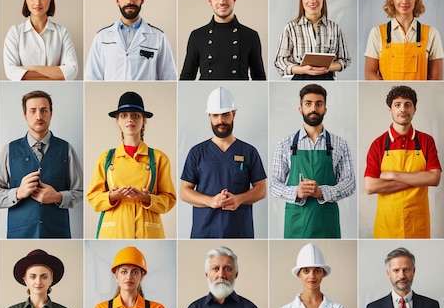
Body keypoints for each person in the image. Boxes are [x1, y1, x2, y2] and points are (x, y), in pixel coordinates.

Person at [87, 91, 176, 238]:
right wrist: (113, 196)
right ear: (117, 120)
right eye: (124, 116)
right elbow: (93, 198)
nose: (130, 120)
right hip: (114, 230)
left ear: (144, 120)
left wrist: (145, 197)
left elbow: (169, 199)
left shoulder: (159, 158)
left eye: (135, 115)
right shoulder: (106, 158)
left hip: (147, 230)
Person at [270, 84, 355, 238]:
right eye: (308, 103)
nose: (314, 108)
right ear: (300, 109)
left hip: (326, 221)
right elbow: (274, 184)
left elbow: (349, 183)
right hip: (296, 222)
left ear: (325, 109)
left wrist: (322, 192)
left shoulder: (340, 143)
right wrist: (296, 192)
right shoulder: (285, 143)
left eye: (319, 104)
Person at [180, 87, 267, 238]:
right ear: (209, 116)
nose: (221, 120)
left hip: (240, 233)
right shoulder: (197, 153)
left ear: (234, 114)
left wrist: (239, 199)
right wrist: (211, 201)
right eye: (215, 115)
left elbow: (261, 189)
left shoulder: (249, 152)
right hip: (204, 232)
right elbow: (184, 191)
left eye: (225, 114)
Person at [0, 90, 83, 238]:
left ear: (51, 114)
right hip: (19, 235)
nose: (39, 116)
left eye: (44, 110)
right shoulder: (8, 150)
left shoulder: (66, 149)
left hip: (57, 234)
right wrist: (17, 193)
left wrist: (58, 197)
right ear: (25, 116)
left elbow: (80, 192)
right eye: (32, 111)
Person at [364, 86, 441, 238]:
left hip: (418, 224)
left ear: (414, 109)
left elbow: (434, 178)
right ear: (390, 110)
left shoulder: (426, 141)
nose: (403, 109)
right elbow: (370, 186)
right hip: (387, 225)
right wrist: (419, 179)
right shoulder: (377, 144)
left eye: (407, 104)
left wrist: (392, 174)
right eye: (397, 105)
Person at [84, 0, 177, 80]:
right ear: (117, 0)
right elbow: (91, 78)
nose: (129, 1)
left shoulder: (158, 37)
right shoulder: (102, 37)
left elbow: (169, 78)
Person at [180, 0, 266, 80]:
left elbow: (259, 79)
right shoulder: (197, 36)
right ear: (209, 0)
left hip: (239, 95)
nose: (222, 1)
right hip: (206, 95)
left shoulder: (250, 36)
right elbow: (186, 78)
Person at [364, 0, 444, 80]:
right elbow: (369, 74)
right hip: (390, 96)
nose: (404, 1)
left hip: (420, 96)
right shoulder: (377, 33)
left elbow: (436, 78)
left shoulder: (432, 34)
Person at [274, 0, 351, 80]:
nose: (312, 0)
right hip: (300, 79)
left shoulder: (335, 28)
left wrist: (328, 67)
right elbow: (280, 61)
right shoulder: (290, 28)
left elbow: (344, 60)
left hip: (327, 79)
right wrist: (302, 70)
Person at [3, 0, 78, 80]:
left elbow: (72, 71)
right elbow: (11, 72)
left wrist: (29, 68)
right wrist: (56, 72)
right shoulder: (15, 33)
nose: (38, 2)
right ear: (25, 0)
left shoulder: (62, 33)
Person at [359, 247, 444, 308]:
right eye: (396, 270)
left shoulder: (431, 307)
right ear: (388, 273)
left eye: (406, 270)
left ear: (414, 271)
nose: (402, 276)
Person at [180, 246, 265, 308]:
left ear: (236, 274)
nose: (221, 275)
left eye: (227, 269)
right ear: (207, 274)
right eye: (215, 269)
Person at [272, 243, 352, 308]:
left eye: (317, 271)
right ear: (299, 274)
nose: (312, 276)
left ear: (324, 273)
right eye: (306, 271)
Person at [92, 246, 168, 308]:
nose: (129, 277)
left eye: (135, 272)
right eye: (124, 272)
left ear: (141, 277)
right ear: (116, 276)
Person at [0, 249, 76, 308]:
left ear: (51, 280)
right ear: (25, 280)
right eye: (33, 277)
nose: (38, 282)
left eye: (44, 277)